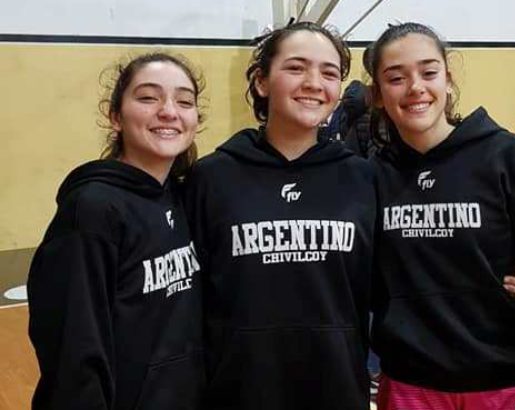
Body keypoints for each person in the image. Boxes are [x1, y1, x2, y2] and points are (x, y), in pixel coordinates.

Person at [368, 23, 515, 410]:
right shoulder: (373, 176)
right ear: (378, 94)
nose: (415, 87)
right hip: (410, 384)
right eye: (396, 78)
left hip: (495, 382)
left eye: (429, 72)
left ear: (448, 78)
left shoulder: (506, 157)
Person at [185, 21, 377, 410]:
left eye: (329, 72)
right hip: (237, 391)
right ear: (261, 81)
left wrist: (501, 277)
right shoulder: (212, 176)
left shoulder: (363, 177)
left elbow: (404, 272)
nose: (313, 82)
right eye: (295, 67)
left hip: (336, 388)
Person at [27, 52, 206, 410]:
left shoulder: (181, 197)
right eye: (148, 98)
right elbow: (73, 355)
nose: (169, 111)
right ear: (115, 117)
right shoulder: (92, 210)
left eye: (184, 101)